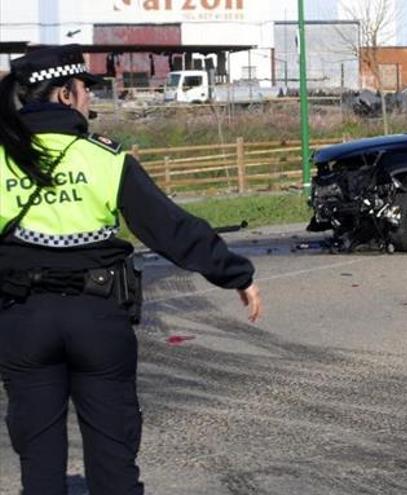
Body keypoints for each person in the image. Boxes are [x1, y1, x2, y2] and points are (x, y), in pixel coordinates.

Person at [0, 45, 263, 494]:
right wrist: (234, 273)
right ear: (65, 95)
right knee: (113, 462)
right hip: (98, 320)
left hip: (22, 321)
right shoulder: (106, 159)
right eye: (85, 90)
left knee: (39, 470)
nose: (89, 100)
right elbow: (170, 227)